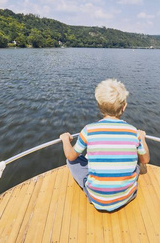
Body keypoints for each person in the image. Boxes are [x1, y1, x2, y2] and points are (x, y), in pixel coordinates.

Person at [60, 78, 150, 212]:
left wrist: (65, 140)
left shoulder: (89, 130)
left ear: (99, 105)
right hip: (127, 196)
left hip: (96, 198)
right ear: (124, 106)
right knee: (137, 163)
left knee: (72, 161)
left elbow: (70, 155)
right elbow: (146, 159)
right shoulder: (133, 131)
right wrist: (141, 138)